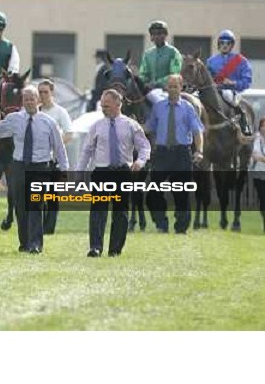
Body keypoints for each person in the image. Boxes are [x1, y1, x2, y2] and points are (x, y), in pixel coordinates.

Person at [0, 85, 68, 253]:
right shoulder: (15, 119)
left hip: (40, 167)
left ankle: (35, 244)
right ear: (23, 101)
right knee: (20, 206)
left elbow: (59, 147)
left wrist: (64, 170)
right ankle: (24, 243)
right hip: (19, 167)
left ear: (38, 101)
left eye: (32, 99)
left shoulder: (49, 123)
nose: (29, 102)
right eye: (26, 99)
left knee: (35, 205)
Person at [76, 89, 150, 257]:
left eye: (107, 106)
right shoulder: (96, 126)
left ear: (118, 104)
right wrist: (79, 172)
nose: (103, 109)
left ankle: (115, 249)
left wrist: (140, 161)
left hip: (123, 172)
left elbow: (145, 146)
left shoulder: (131, 125)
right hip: (101, 171)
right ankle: (95, 247)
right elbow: (86, 151)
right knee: (98, 210)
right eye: (102, 106)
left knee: (121, 211)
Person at [144, 74, 204, 234]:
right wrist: (133, 126)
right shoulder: (158, 107)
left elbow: (197, 132)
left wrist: (199, 151)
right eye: (169, 86)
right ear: (166, 88)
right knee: (153, 193)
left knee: (181, 193)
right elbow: (149, 127)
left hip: (181, 154)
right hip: (162, 153)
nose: (172, 89)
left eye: (175, 86)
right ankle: (161, 223)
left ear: (181, 87)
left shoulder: (187, 108)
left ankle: (181, 227)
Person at [38, 78, 74, 235]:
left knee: (52, 195)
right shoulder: (35, 111)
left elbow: (69, 134)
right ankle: (39, 225)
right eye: (40, 92)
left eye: (45, 92)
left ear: (52, 93)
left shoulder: (60, 112)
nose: (42, 95)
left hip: (54, 160)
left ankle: (49, 228)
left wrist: (56, 147)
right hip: (38, 159)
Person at [206, 29, 253, 135]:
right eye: (222, 42)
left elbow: (247, 81)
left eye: (228, 43)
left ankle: (244, 124)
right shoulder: (211, 61)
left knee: (227, 95)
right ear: (219, 44)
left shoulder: (241, 61)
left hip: (232, 91)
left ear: (232, 45)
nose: (225, 45)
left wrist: (233, 83)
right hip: (214, 91)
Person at [138, 20, 183, 104]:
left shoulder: (173, 52)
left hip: (168, 90)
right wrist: (143, 82)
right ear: (151, 36)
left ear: (165, 35)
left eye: (160, 33)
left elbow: (174, 74)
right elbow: (143, 73)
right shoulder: (148, 54)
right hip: (148, 90)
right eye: (154, 34)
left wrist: (156, 84)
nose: (157, 36)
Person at [251, 118, 265, 232]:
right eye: (263, 126)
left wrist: (262, 158)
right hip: (259, 174)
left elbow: (258, 156)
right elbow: (255, 155)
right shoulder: (257, 138)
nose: (264, 128)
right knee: (262, 200)